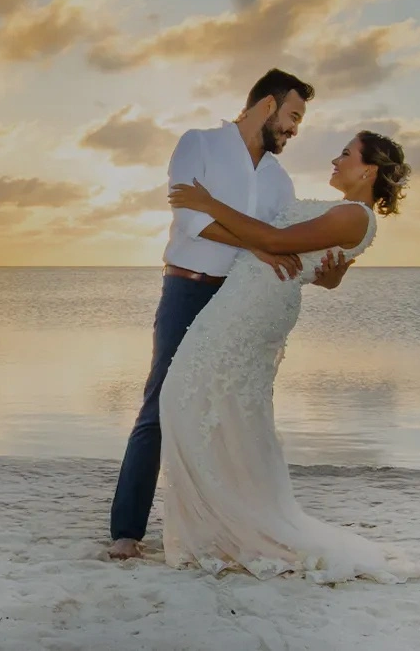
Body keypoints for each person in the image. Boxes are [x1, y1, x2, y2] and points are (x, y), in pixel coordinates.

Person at [158, 131, 420, 584]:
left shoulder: (354, 216)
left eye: (345, 154)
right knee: (213, 410)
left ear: (368, 170)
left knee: (185, 399)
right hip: (248, 299)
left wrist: (207, 203)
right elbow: (322, 275)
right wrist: (323, 270)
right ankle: (220, 524)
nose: (335, 158)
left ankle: (237, 523)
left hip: (254, 310)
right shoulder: (343, 213)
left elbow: (275, 238)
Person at [107, 68, 353, 561]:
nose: (294, 129)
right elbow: (193, 221)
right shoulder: (198, 143)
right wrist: (260, 246)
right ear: (266, 105)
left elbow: (281, 239)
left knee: (225, 416)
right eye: (292, 116)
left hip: (240, 302)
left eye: (299, 120)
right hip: (187, 289)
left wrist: (320, 263)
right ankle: (126, 531)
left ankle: (224, 528)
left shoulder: (279, 179)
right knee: (161, 403)